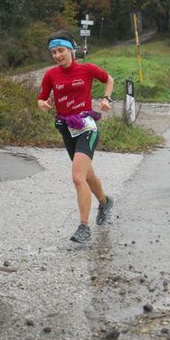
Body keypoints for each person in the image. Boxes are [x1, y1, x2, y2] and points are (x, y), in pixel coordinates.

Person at [37, 30, 115, 243]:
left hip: (87, 127)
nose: (57, 55)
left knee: (78, 177)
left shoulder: (87, 69)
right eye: (53, 52)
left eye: (61, 50)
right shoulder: (51, 75)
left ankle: (83, 226)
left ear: (71, 49)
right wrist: (42, 103)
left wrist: (107, 98)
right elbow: (42, 97)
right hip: (66, 128)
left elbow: (109, 79)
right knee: (88, 175)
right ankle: (105, 202)